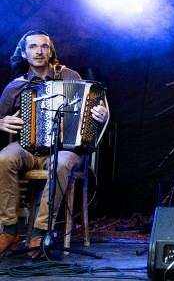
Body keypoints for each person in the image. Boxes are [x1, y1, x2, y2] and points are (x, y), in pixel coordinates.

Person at [0, 30, 109, 256]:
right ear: (23, 52)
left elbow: (93, 108)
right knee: (3, 158)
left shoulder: (70, 76)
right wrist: (1, 121)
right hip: (28, 148)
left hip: (65, 149)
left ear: (50, 51)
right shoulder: (15, 86)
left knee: (60, 164)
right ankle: (9, 230)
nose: (39, 51)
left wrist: (102, 113)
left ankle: (40, 233)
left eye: (44, 46)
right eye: (32, 47)